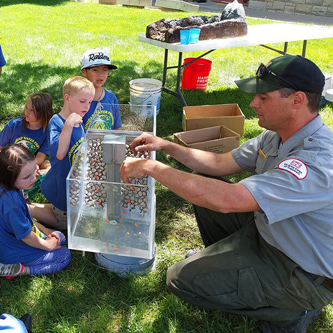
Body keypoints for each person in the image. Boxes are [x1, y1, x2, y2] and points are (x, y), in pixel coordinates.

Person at [120, 55, 333, 332]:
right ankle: (231, 265)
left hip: (301, 271)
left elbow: (228, 201)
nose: (253, 103)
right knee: (204, 181)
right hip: (274, 232)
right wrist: (165, 146)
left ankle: (295, 310)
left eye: (263, 98)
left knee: (179, 279)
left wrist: (151, 167)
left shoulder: (316, 160)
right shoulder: (276, 135)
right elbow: (218, 164)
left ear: (297, 100)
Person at [0, 144, 71, 277]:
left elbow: (24, 222)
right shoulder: (12, 204)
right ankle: (17, 270)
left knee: (60, 237)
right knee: (64, 255)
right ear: (9, 177)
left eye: (34, 170)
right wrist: (47, 245)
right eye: (26, 177)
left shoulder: (10, 187)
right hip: (9, 251)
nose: (34, 177)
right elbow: (25, 236)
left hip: (11, 238)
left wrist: (47, 232)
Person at [35, 76, 95, 230]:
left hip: (74, 180)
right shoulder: (57, 122)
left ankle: (33, 205)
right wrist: (68, 124)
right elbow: (60, 154)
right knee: (64, 223)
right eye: (83, 101)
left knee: (64, 210)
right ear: (67, 98)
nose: (87, 106)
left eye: (89, 102)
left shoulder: (79, 118)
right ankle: (28, 209)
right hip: (62, 182)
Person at [0, 92, 53, 175]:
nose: (26, 112)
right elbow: (1, 147)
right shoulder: (14, 124)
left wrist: (32, 165)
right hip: (10, 161)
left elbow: (40, 156)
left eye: (31, 110)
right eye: (26, 107)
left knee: (49, 165)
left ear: (43, 112)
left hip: (31, 162)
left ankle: (35, 177)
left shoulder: (47, 131)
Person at [80, 48, 122, 131]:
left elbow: (118, 127)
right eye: (95, 70)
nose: (101, 75)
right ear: (84, 71)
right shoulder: (79, 99)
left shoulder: (111, 97)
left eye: (105, 70)